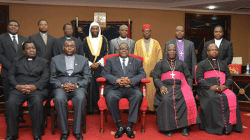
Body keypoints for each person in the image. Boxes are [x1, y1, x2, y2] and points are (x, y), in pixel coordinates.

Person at [5, 41, 49, 140]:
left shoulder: (43, 61)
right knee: (11, 103)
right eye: (28, 48)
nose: (31, 50)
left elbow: (45, 77)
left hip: (36, 90)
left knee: (37, 102)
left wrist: (35, 86)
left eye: (33, 48)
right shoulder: (16, 60)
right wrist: (17, 86)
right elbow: (10, 75)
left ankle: (37, 133)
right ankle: (12, 134)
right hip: (19, 89)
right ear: (24, 51)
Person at [100, 43, 146, 138]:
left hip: (131, 87)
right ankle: (119, 124)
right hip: (115, 88)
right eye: (121, 48)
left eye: (126, 48)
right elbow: (104, 73)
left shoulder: (137, 61)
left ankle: (129, 124)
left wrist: (131, 80)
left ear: (129, 50)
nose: (124, 50)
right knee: (110, 96)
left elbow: (142, 74)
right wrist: (116, 80)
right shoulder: (110, 61)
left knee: (138, 95)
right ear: (118, 51)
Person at [153, 44, 200, 137]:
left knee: (187, 99)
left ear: (176, 52)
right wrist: (161, 87)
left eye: (174, 50)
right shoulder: (160, 63)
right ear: (166, 52)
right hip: (166, 87)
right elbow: (156, 78)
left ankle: (185, 126)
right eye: (170, 50)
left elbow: (188, 77)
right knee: (166, 100)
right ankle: (168, 127)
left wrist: (190, 87)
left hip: (181, 87)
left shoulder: (182, 63)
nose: (172, 52)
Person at [196, 43, 242, 135]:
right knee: (213, 98)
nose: (214, 51)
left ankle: (230, 125)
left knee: (233, 96)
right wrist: (211, 86)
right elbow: (199, 79)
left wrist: (225, 86)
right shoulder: (202, 64)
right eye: (212, 50)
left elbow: (229, 78)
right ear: (207, 52)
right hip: (207, 89)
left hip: (222, 87)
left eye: (216, 50)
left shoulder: (223, 63)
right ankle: (215, 127)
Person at [50, 39, 91, 140]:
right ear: (63, 48)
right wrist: (61, 85)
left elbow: (87, 77)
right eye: (67, 46)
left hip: (78, 87)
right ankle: (64, 131)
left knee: (81, 98)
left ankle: (77, 131)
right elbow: (52, 78)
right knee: (59, 99)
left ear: (75, 48)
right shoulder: (55, 59)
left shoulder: (83, 59)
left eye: (71, 46)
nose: (69, 48)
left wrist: (77, 85)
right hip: (61, 87)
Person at [0, 20, 28, 123]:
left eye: (16, 25)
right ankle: (9, 117)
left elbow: (27, 54)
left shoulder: (24, 39)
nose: (13, 27)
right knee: (8, 96)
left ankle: (19, 116)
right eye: (11, 25)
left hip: (21, 73)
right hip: (7, 72)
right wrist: (11, 67)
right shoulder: (1, 38)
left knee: (20, 94)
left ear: (18, 27)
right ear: (7, 27)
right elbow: (0, 55)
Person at [29, 19, 57, 116]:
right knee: (38, 87)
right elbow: (30, 52)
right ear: (38, 26)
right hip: (37, 67)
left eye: (45, 24)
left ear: (48, 26)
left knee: (50, 88)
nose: (43, 26)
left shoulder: (53, 39)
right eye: (41, 24)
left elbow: (55, 54)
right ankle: (38, 108)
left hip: (50, 67)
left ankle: (48, 107)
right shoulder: (32, 38)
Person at [134, 24, 162, 111]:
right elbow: (135, 58)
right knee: (141, 88)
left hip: (152, 71)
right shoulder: (138, 43)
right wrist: (139, 71)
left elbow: (159, 58)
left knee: (152, 89)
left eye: (148, 31)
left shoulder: (156, 43)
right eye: (145, 31)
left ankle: (153, 108)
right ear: (142, 32)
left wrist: (155, 69)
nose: (146, 33)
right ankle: (142, 108)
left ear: (150, 32)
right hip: (141, 71)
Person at [82, 21, 108, 114]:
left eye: (96, 28)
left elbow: (106, 53)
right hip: (88, 67)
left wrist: (98, 63)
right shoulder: (85, 40)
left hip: (100, 67)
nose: (95, 30)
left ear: (99, 29)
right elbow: (83, 54)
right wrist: (90, 64)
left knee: (100, 86)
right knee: (89, 86)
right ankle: (90, 108)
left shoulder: (103, 39)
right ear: (90, 30)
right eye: (93, 28)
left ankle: (100, 108)